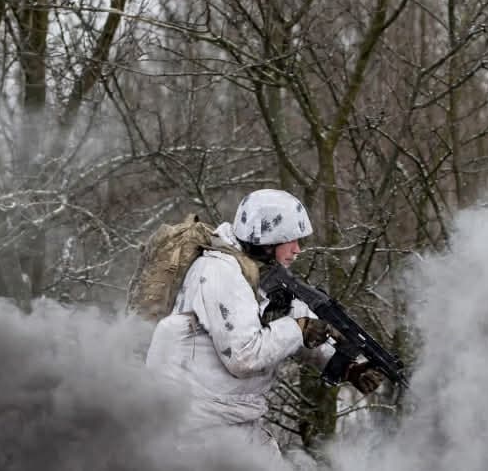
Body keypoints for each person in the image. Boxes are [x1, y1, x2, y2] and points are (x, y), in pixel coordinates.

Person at [145, 189, 383, 443]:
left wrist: (346, 367)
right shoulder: (219, 272)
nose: (298, 249)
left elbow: (290, 328)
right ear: (268, 240)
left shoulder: (259, 275)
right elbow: (244, 355)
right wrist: (299, 328)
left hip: (231, 421)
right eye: (290, 240)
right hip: (196, 424)